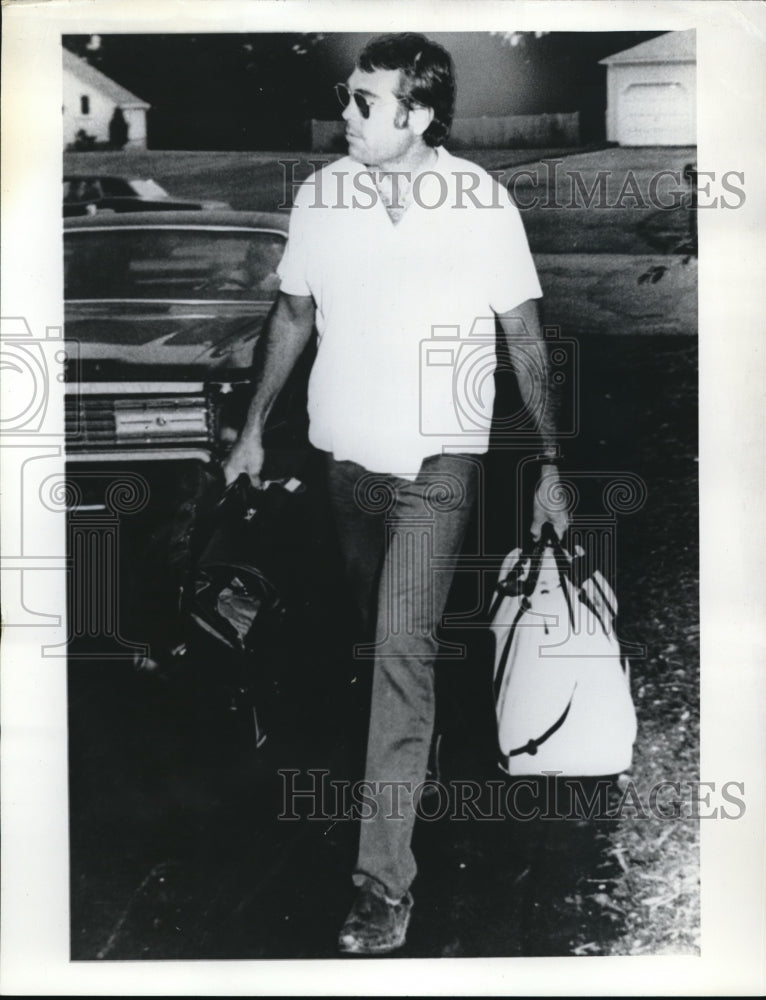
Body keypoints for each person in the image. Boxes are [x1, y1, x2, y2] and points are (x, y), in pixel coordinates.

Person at [224, 32, 570, 956]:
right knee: (374, 640)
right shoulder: (321, 195)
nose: (345, 116)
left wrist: (549, 467)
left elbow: (525, 340)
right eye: (348, 97)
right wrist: (254, 427)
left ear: (416, 115)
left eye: (363, 103)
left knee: (396, 651)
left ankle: (382, 885)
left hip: (437, 464)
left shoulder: (478, 204)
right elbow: (292, 313)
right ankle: (425, 760)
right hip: (346, 467)